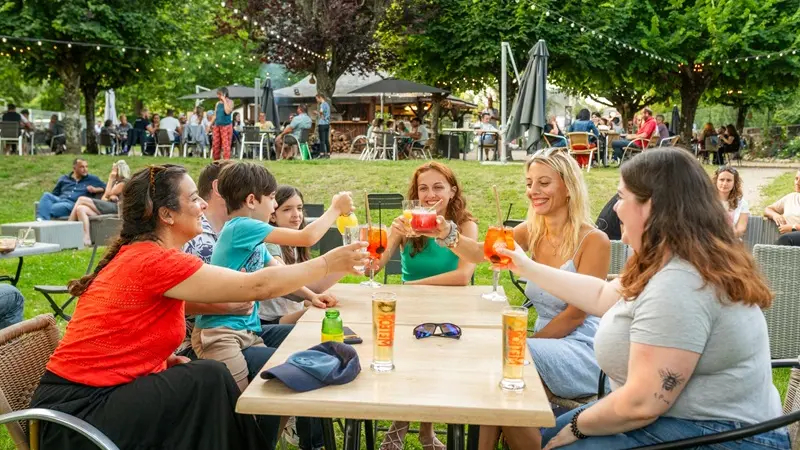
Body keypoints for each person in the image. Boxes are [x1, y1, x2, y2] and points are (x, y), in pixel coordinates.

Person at [29, 164, 368, 450]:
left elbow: (125, 330)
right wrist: (327, 262)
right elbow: (259, 285)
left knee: (206, 375)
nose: (204, 205)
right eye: (193, 199)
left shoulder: (150, 256)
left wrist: (157, 362)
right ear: (166, 214)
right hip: (73, 420)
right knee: (206, 379)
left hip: (102, 397)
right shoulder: (152, 260)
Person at [491, 147, 789, 450]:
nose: (615, 210)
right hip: (674, 423)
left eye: (622, 197)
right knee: (538, 438)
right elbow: (600, 294)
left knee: (547, 443)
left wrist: (578, 427)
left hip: (717, 436)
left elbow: (643, 403)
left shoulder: (682, 282)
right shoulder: (669, 261)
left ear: (653, 207)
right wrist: (524, 264)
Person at [420, 150, 609, 449]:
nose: (533, 191)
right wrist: (447, 232)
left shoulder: (593, 240)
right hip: (541, 344)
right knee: (500, 376)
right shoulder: (530, 231)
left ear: (568, 185)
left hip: (583, 348)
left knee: (502, 363)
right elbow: (480, 253)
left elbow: (577, 315)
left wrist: (522, 347)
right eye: (530, 182)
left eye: (544, 182)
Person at [191, 161, 354, 392]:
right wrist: (335, 208)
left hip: (247, 330)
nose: (275, 204)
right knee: (238, 399)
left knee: (272, 389)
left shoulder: (252, 239)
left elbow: (280, 274)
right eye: (272, 198)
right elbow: (307, 237)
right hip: (221, 334)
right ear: (251, 201)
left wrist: (311, 296)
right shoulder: (241, 227)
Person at [372, 161, 479, 450]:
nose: (430, 195)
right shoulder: (408, 222)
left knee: (432, 357)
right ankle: (423, 434)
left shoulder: (466, 225)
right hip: (411, 308)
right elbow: (374, 266)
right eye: (423, 188)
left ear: (452, 191)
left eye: (438, 187)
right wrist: (390, 235)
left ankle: (399, 432)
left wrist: (408, 288)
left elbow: (462, 276)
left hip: (451, 307)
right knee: (410, 357)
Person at [260, 185, 342, 325]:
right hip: (270, 321)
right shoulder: (270, 243)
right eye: (287, 209)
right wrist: (340, 264)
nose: (296, 214)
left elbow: (304, 291)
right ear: (273, 216)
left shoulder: (295, 246)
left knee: (332, 311)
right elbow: (286, 279)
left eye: (299, 208)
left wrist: (313, 299)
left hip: (288, 313)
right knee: (325, 318)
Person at [68, 161, 131, 246]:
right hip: (108, 206)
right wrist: (111, 196)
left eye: (114, 170)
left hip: (116, 208)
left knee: (81, 199)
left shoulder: (124, 183)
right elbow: (104, 198)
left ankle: (68, 226)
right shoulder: (116, 183)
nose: (112, 172)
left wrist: (110, 178)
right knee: (81, 208)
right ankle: (86, 238)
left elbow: (108, 194)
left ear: (119, 171)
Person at [36, 159, 106, 220]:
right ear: (74, 168)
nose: (85, 169)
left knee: (51, 208)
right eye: (82, 167)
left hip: (72, 204)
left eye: (86, 166)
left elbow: (106, 187)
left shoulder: (92, 179)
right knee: (46, 195)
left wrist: (96, 189)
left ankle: (42, 222)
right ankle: (41, 221)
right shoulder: (64, 178)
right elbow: (54, 194)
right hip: (60, 200)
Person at [765, 169, 800, 246]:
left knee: (785, 239)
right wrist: (775, 215)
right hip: (790, 242)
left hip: (789, 239)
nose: (797, 183)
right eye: (796, 179)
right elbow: (767, 209)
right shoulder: (790, 197)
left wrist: (794, 227)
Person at [714, 166, 748, 239]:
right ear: (716, 181)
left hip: (732, 240)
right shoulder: (707, 200)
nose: (724, 183)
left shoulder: (742, 203)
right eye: (721, 180)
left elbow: (741, 229)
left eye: (728, 180)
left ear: (734, 183)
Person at [209, 87, 234, 160]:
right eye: (218, 94)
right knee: (216, 145)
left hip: (226, 126)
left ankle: (226, 162)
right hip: (217, 126)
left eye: (220, 94)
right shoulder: (217, 104)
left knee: (225, 145)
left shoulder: (230, 102)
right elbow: (215, 115)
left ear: (225, 94)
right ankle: (216, 162)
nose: (218, 96)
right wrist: (210, 124)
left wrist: (224, 101)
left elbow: (227, 111)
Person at [315, 93, 331, 158]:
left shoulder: (322, 105)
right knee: (326, 140)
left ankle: (321, 154)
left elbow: (321, 114)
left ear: (320, 97)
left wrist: (317, 113)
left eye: (317, 99)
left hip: (322, 124)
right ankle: (328, 154)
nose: (317, 100)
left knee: (322, 140)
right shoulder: (327, 104)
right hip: (327, 124)